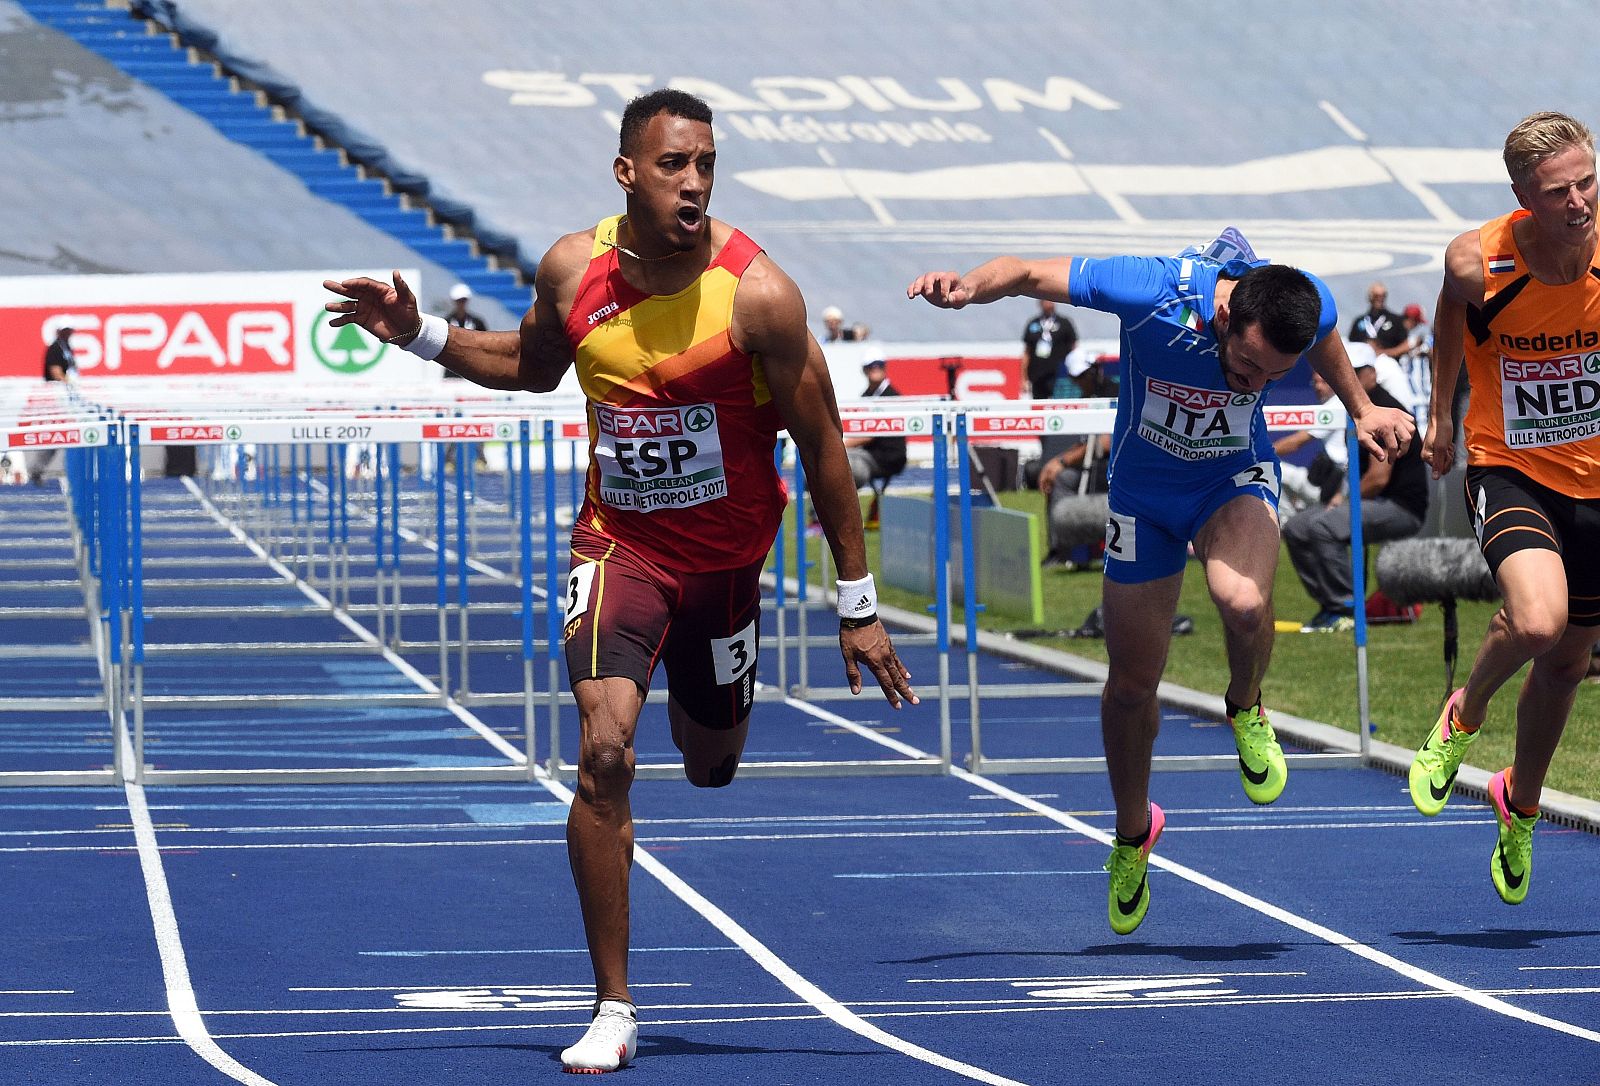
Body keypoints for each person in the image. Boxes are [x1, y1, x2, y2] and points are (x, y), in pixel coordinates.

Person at [324, 88, 917, 1074]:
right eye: (675, 164)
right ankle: (613, 1003)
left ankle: (713, 687)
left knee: (711, 762)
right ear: (628, 173)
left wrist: (858, 611)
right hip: (619, 550)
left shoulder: (761, 297)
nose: (693, 183)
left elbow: (821, 450)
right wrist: (420, 332)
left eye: (707, 166)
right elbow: (525, 365)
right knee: (604, 754)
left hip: (726, 565)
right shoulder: (573, 269)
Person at [908, 244, 1413, 937]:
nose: (1251, 384)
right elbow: (1027, 273)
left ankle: (1245, 705)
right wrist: (967, 287)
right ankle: (1131, 833)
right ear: (1225, 317)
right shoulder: (1148, 290)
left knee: (1241, 602)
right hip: (1143, 499)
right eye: (1246, 365)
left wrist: (1358, 407)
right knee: (1130, 686)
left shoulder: (1303, 298)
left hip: (1230, 480)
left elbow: (1325, 331)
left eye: (1271, 377)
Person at [1406, 110, 1600, 907]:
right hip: (1511, 465)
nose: (1581, 202)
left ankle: (1519, 804)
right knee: (1538, 622)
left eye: (1589, 181)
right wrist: (1443, 415)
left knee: (1566, 665)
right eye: (1560, 192)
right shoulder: (1478, 262)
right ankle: (1465, 712)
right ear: (1524, 196)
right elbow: (1452, 313)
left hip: (1595, 478)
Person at [1281, 366, 1428, 630]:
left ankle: (1346, 608)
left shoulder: (1383, 409)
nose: (1351, 380)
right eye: (1350, 373)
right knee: (1296, 526)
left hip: (1401, 508)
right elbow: (1356, 473)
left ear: (1372, 373)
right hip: (1371, 502)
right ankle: (1330, 606)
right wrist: (1340, 497)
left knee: (1322, 526)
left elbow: (1377, 479)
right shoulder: (1357, 408)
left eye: (1358, 373)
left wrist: (1344, 502)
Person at [843, 357, 907, 495]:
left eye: (879, 366)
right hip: (869, 453)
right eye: (872, 366)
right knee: (833, 460)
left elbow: (869, 435)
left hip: (889, 456)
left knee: (838, 459)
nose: (876, 369)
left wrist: (842, 445)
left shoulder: (891, 396)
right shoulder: (865, 396)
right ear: (865, 370)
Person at [30, 325, 76, 486]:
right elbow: (56, 372)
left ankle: (73, 472)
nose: (69, 334)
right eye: (66, 331)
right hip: (56, 398)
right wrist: (71, 383)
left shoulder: (66, 347)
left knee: (67, 437)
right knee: (55, 435)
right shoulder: (56, 348)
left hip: (66, 396)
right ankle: (36, 471)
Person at [1022, 299, 1078, 399]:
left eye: (1050, 301)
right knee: (1039, 403)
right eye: (1045, 301)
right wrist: (1024, 378)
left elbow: (1074, 347)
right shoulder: (1033, 323)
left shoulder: (1064, 323)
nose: (1048, 304)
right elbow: (1027, 352)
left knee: (1058, 401)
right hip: (1037, 374)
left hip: (1059, 374)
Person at [1348, 280, 1409, 358]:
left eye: (1383, 296)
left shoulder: (1395, 320)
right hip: (1364, 363)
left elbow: (1405, 346)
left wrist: (1385, 353)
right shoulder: (1358, 321)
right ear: (1370, 297)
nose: (1380, 299)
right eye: (1376, 296)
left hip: (1388, 363)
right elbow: (1351, 345)